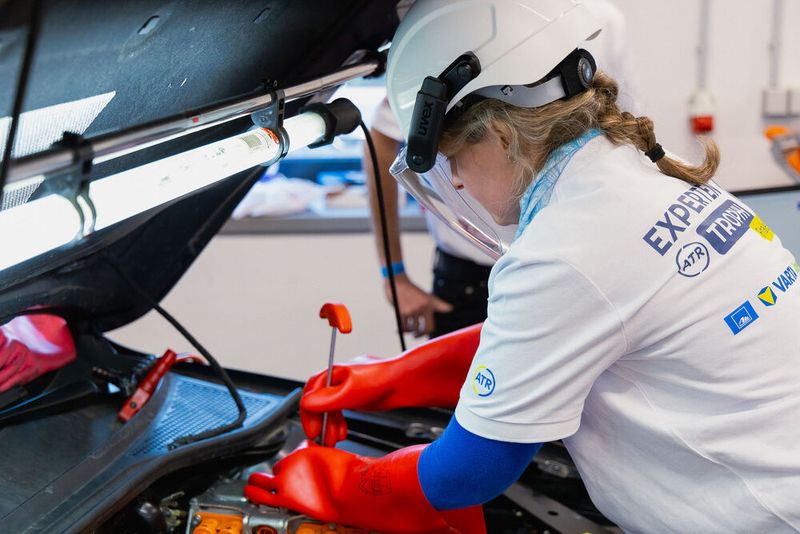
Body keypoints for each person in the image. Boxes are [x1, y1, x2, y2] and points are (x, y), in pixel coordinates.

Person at [245, 1, 800, 532]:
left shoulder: (566, 248)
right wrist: (390, 378)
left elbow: (466, 473)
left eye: (451, 158)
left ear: (499, 134)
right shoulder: (641, 178)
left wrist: (339, 483)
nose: (455, 181)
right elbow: (564, 330)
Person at [365, 0, 631, 339]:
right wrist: (394, 272)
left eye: (456, 162)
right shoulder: (453, 19)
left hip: (572, 268)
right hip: (468, 276)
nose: (455, 179)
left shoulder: (597, 18)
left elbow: (618, 128)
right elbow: (384, 137)